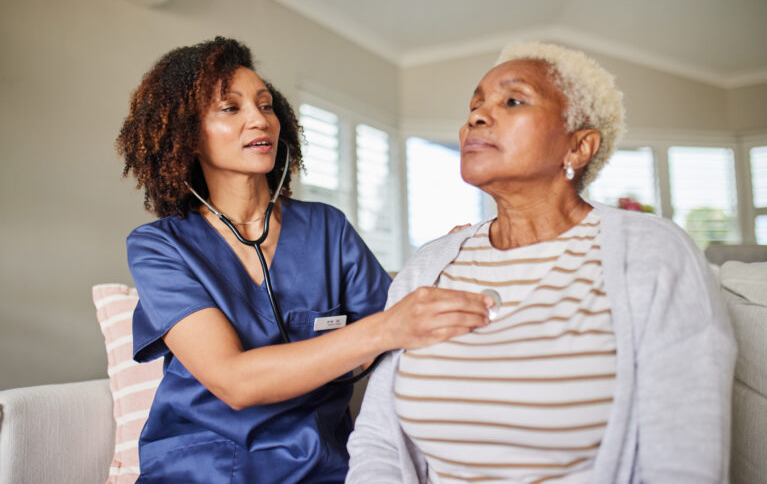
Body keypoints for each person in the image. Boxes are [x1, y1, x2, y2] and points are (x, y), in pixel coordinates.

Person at [347, 42, 736, 483]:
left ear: (579, 146)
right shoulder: (429, 266)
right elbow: (377, 441)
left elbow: (684, 462)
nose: (475, 117)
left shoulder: (653, 255)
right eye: (474, 105)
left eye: (514, 101)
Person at [116, 36, 493, 484]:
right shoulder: (161, 246)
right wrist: (385, 328)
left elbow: (394, 332)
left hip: (321, 468)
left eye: (266, 104)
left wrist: (439, 261)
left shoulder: (327, 229)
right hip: (199, 469)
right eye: (231, 108)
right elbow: (234, 381)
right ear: (187, 134)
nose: (260, 119)